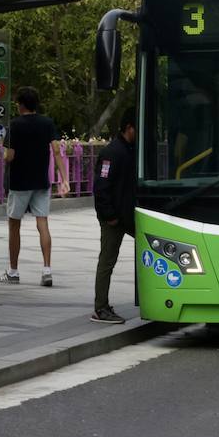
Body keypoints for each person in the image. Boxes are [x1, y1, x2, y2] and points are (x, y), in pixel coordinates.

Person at [0, 87, 70, 286]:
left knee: (14, 225)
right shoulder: (47, 123)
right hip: (41, 181)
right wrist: (64, 179)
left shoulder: (14, 125)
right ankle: (47, 270)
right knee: (43, 224)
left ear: (20, 104)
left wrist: (4, 155)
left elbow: (10, 155)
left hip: (19, 182)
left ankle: (13, 272)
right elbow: (56, 150)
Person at [92, 108, 137, 324]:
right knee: (107, 261)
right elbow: (101, 187)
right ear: (129, 128)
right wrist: (109, 215)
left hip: (128, 216)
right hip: (114, 218)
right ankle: (101, 308)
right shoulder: (112, 152)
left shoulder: (130, 150)